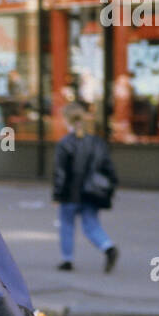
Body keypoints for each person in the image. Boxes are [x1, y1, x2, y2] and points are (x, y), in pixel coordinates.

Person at [52, 101, 119, 272]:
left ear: (67, 120)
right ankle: (108, 247)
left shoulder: (65, 143)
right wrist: (109, 188)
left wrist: (57, 195)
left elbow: (60, 173)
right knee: (91, 224)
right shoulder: (97, 142)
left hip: (70, 193)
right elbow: (108, 168)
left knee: (67, 225)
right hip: (92, 192)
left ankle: (67, 259)